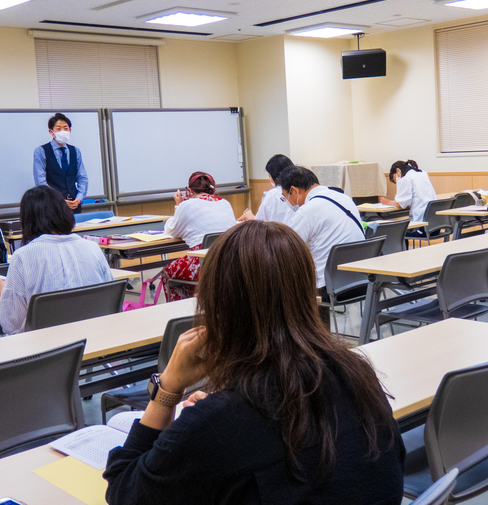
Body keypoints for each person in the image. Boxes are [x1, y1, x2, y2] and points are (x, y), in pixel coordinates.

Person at [104, 221, 404, 505]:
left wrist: (167, 390)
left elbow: (125, 493)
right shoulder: (356, 372)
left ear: (218, 304)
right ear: (306, 293)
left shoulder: (218, 423)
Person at [0, 186, 113, 334]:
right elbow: (111, 303)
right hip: (98, 339)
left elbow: (11, 325)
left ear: (27, 219)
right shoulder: (93, 248)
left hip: (49, 349)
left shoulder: (23, 256)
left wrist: (5, 291)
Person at [278, 166, 365, 296]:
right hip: (362, 281)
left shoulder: (307, 211)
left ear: (294, 190)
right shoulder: (344, 198)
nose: (287, 202)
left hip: (330, 288)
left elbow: (285, 249)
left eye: (284, 197)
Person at [161, 172, 236, 301]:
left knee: (167, 272)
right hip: (229, 260)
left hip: (202, 262)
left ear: (189, 191)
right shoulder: (225, 203)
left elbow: (170, 231)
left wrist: (178, 206)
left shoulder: (186, 205)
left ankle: (182, 310)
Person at [33, 112, 88, 214]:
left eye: (65, 128)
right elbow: (40, 182)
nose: (63, 131)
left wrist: (79, 198)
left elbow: (82, 177)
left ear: (70, 130)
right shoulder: (41, 151)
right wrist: (59, 200)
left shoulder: (75, 151)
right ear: (51, 131)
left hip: (74, 205)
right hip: (52, 206)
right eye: (58, 128)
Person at [380, 159, 437, 236]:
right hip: (435, 226)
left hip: (420, 227)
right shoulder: (422, 174)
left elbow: (402, 204)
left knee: (396, 233)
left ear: (398, 171)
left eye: (396, 179)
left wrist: (387, 202)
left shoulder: (406, 179)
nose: (397, 181)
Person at [237, 154, 296, 224]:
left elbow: (259, 225)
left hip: (278, 233)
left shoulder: (273, 194)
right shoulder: (298, 190)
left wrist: (249, 215)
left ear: (271, 175)